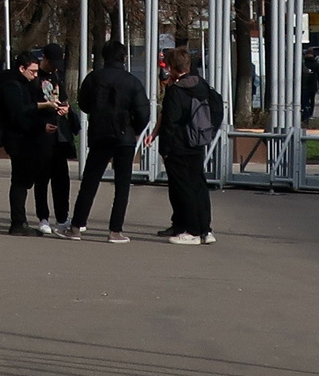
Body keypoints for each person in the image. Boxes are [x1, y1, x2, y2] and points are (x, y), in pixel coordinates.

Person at [67, 41, 150, 244]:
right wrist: (135, 130)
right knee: (122, 185)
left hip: (100, 134)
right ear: (124, 58)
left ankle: (77, 226)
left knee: (90, 181)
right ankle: (115, 230)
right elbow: (143, 112)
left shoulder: (93, 78)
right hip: (125, 136)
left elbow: (84, 104)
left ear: (103, 57)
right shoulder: (132, 82)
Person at [0, 48, 64, 235]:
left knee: (22, 181)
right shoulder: (11, 86)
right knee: (19, 182)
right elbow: (18, 115)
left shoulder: (20, 83)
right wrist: (40, 126)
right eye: (32, 71)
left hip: (23, 139)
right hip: (18, 140)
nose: (35, 75)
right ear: (21, 68)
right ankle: (18, 223)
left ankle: (20, 222)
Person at [157, 47, 218, 246]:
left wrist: (164, 149)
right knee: (198, 185)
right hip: (198, 142)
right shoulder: (202, 85)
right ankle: (205, 229)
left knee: (183, 187)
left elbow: (170, 122)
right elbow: (217, 108)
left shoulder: (176, 91)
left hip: (179, 145)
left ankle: (190, 230)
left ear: (173, 67)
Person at [33, 44, 73, 230]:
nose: (55, 67)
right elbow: (30, 105)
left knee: (61, 178)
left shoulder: (57, 75)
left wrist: (66, 108)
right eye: (52, 62)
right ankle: (43, 217)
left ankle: (62, 217)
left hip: (59, 134)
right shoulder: (35, 77)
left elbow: (64, 98)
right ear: (44, 58)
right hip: (42, 134)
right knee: (42, 178)